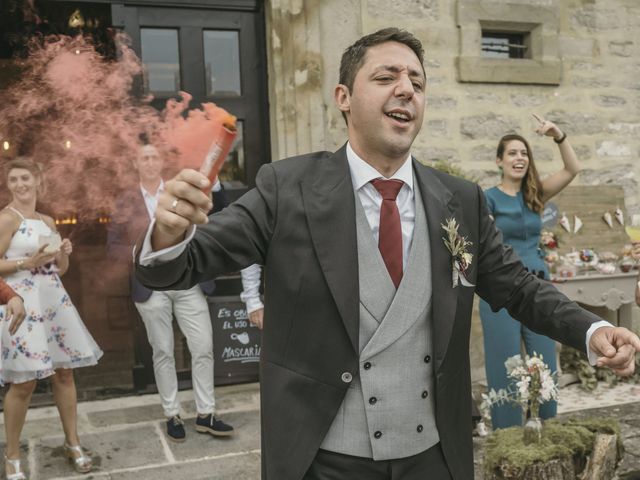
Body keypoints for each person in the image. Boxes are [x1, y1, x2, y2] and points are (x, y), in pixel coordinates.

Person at [135, 28, 640, 480]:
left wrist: (592, 330)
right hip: (322, 457)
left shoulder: (459, 200)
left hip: (433, 454)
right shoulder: (286, 187)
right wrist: (168, 232)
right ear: (344, 98)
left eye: (418, 83)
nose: (407, 89)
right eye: (387, 76)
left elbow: (519, 287)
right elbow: (182, 263)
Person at [107, 143, 233, 443]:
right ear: (136, 164)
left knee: (202, 346)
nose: (149, 162)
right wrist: (145, 254)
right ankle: (172, 414)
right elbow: (112, 246)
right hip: (150, 287)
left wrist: (217, 187)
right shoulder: (125, 201)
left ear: (161, 161)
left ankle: (206, 414)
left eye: (154, 156)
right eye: (143, 157)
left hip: (188, 281)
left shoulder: (179, 191)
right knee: (162, 351)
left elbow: (221, 213)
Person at [0, 157, 102, 478]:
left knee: (65, 374)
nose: (20, 184)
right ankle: (13, 454)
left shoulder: (47, 221)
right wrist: (26, 262)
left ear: (38, 182)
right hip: (21, 302)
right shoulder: (6, 218)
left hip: (53, 300)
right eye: (14, 179)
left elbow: (60, 270)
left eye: (25, 178)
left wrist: (64, 254)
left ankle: (72, 442)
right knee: (24, 382)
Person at [479, 118, 581, 429]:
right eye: (512, 153)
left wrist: (558, 135)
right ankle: (507, 435)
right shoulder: (487, 198)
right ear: (499, 160)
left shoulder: (535, 195)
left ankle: (547, 429)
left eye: (524, 153)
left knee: (546, 363)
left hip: (538, 288)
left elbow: (572, 169)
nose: (519, 158)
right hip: (500, 292)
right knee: (505, 366)